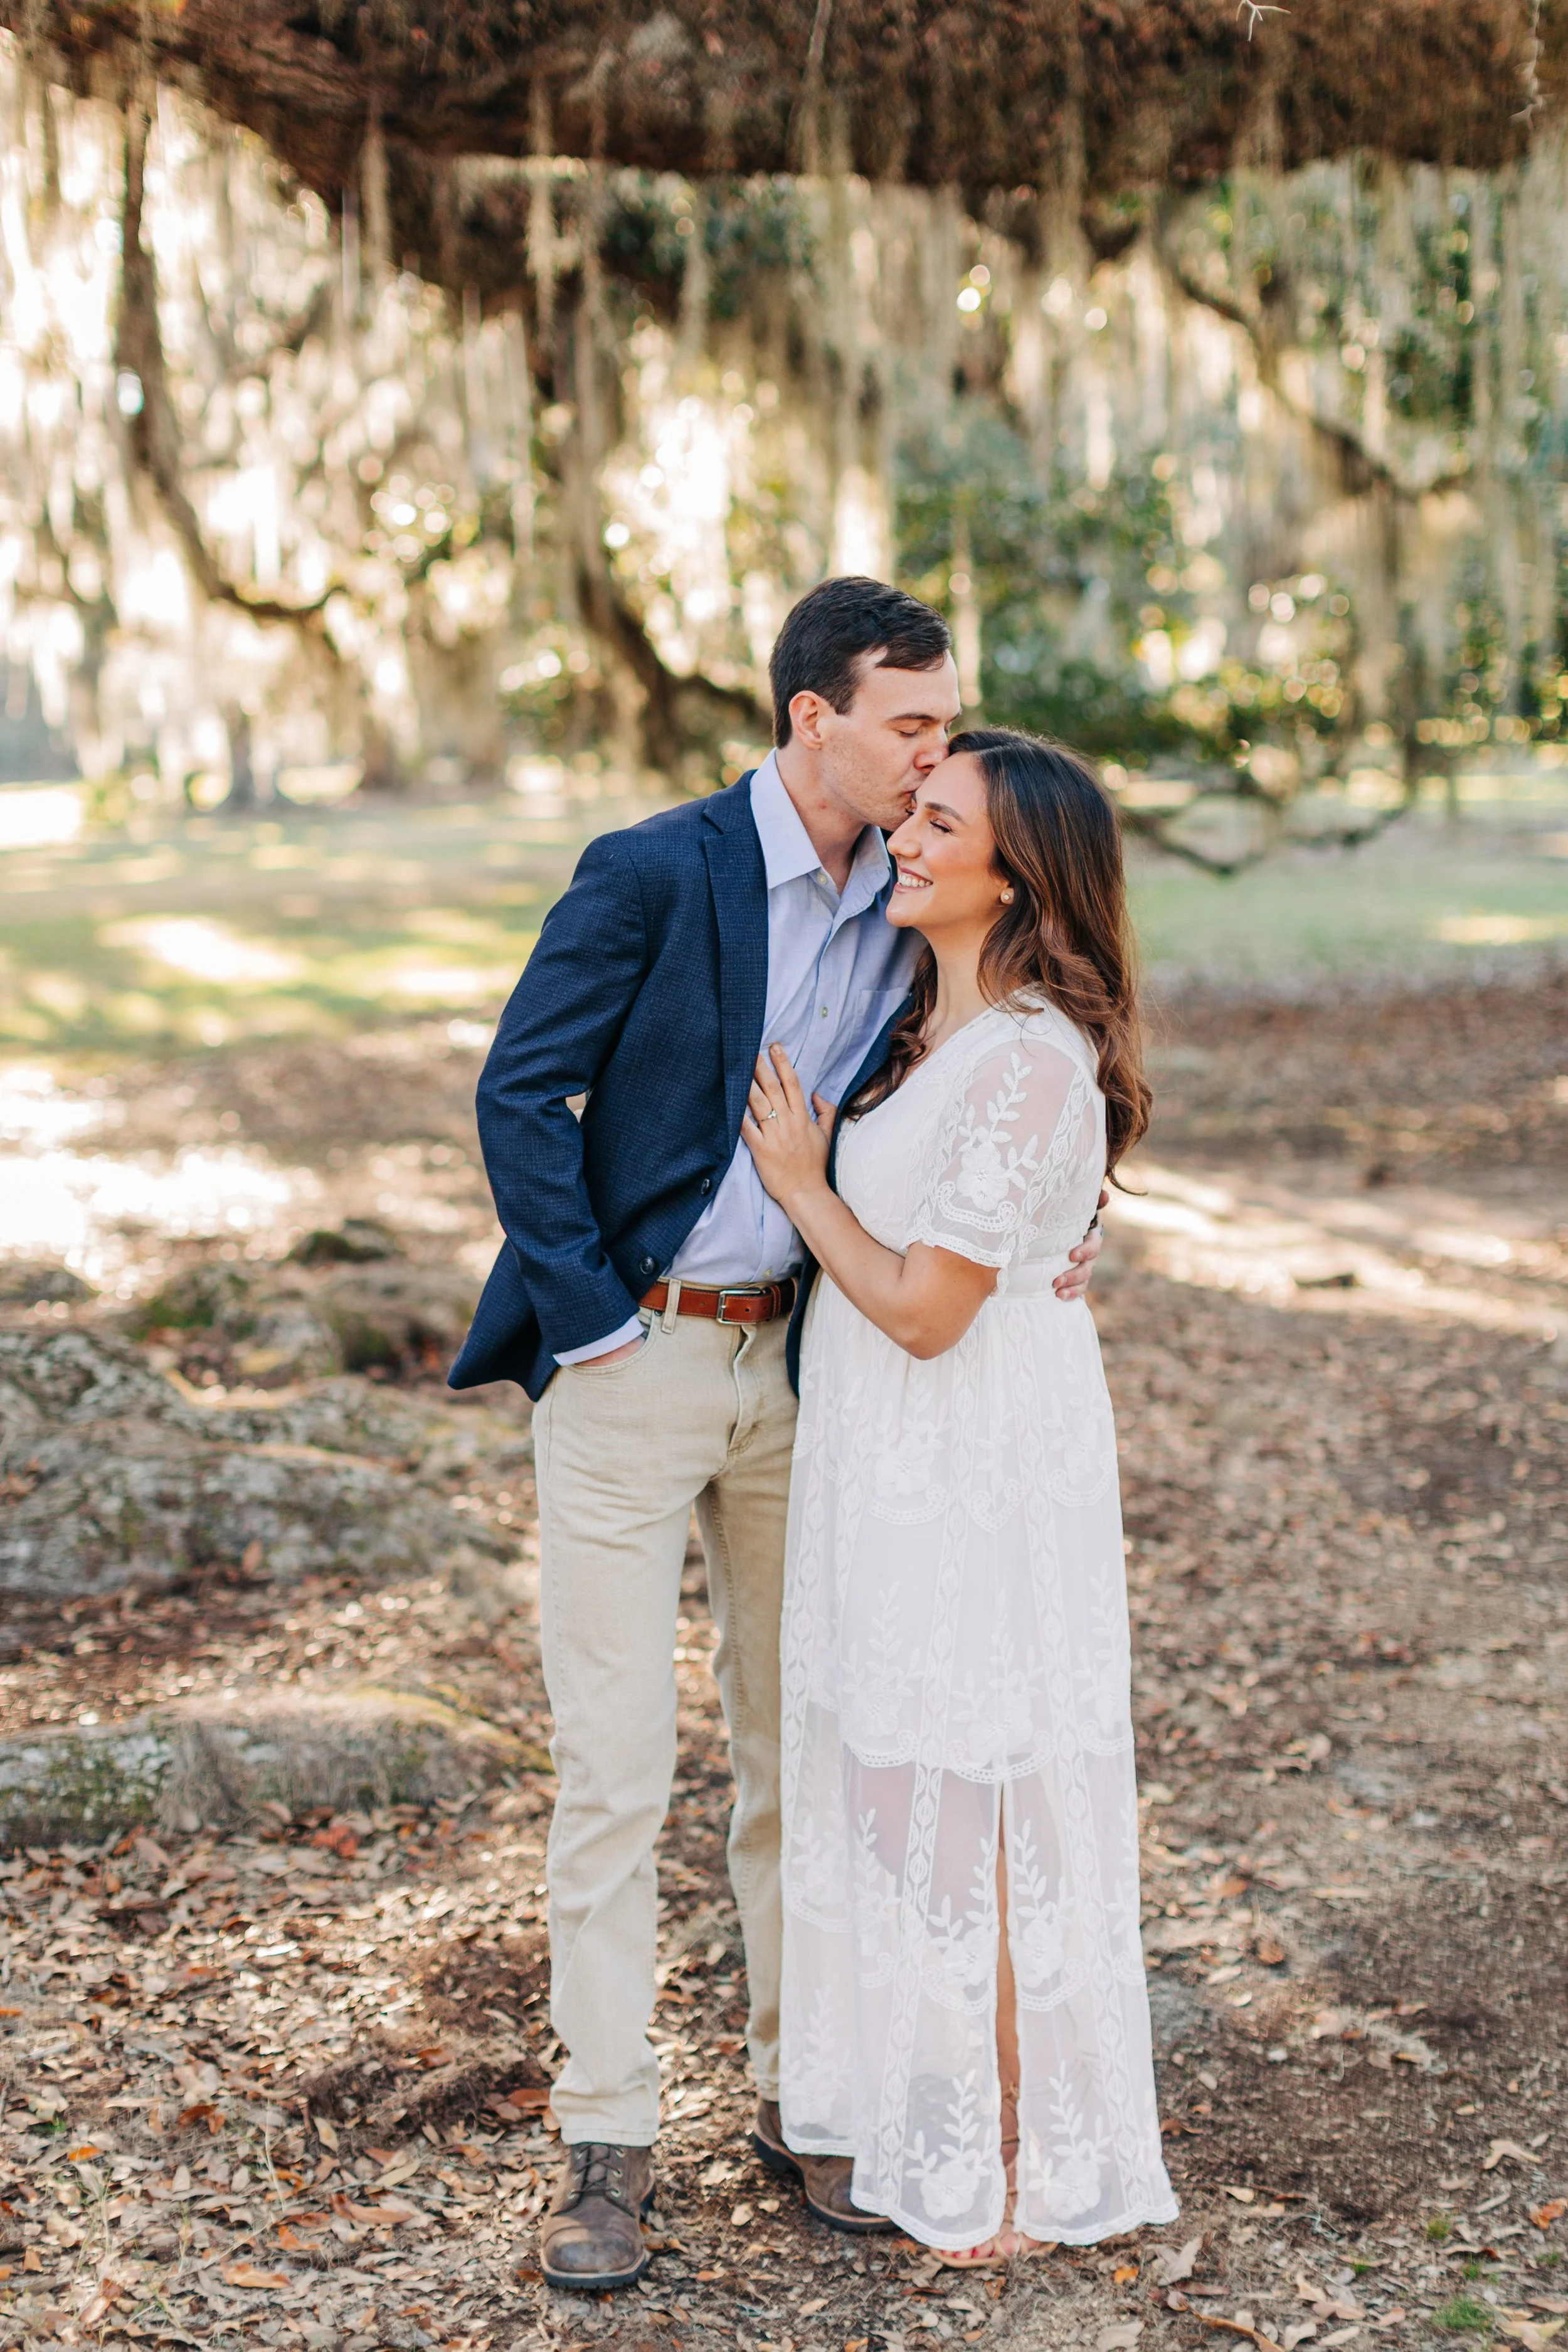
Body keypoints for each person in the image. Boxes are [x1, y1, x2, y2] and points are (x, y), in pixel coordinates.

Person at [448, 583, 1104, 2290]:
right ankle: (607, 2135)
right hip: (631, 1360)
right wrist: (589, 1318)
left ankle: (799, 2093)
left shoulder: (908, 895)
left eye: (943, 729)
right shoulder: (653, 870)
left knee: (798, 1744)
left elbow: (1012, 1058)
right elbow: (523, 1089)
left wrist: (1072, 1212)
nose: (930, 754)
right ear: (811, 717)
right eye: (907, 722)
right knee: (611, 1766)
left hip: (809, 1382)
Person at [742, 728, 1177, 2262]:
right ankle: (927, 2106)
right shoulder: (928, 1030)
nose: (905, 839)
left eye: (939, 825)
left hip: (972, 1449)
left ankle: (1006, 2149)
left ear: (1018, 878)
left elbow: (929, 1306)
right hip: (892, 1447)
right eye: (911, 812)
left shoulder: (1028, 1058)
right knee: (891, 1773)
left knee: (981, 1790)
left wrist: (802, 1185)